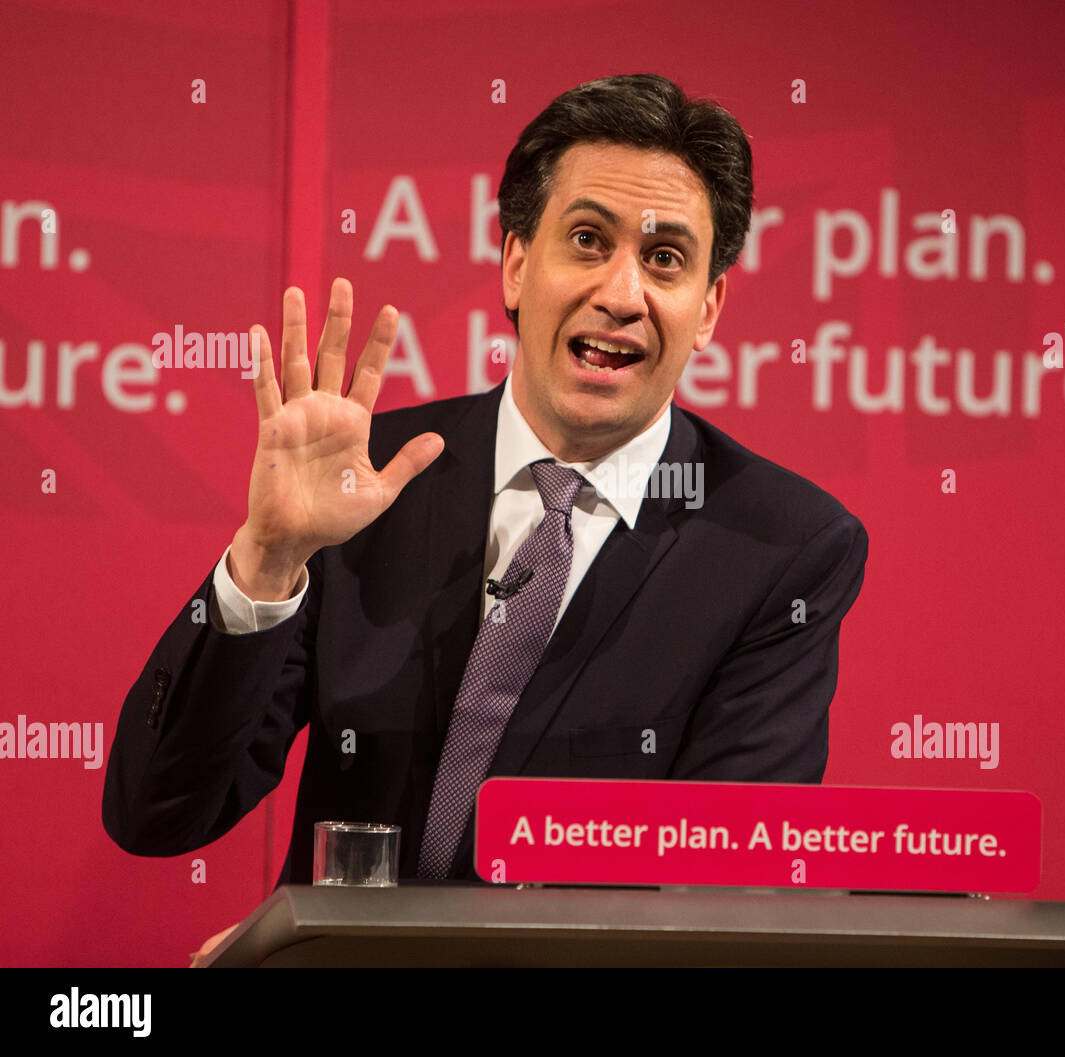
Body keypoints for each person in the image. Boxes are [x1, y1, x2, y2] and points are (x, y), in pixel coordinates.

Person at [103, 73, 869, 887]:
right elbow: (159, 813)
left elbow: (722, 887)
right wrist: (267, 557)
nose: (621, 293)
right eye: (586, 240)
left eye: (666, 258)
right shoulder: (366, 481)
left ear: (708, 308)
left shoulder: (782, 546)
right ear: (514, 264)